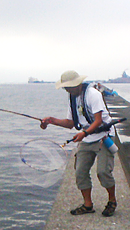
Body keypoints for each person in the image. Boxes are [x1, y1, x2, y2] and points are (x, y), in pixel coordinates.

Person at [40, 70, 117, 217]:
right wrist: (51, 120)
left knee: (103, 172)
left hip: (103, 137)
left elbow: (98, 120)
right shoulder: (73, 98)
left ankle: (112, 201)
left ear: (78, 84)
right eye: (65, 88)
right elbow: (71, 123)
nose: (67, 90)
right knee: (80, 172)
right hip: (87, 139)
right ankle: (88, 205)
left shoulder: (93, 94)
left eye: (69, 87)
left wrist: (84, 133)